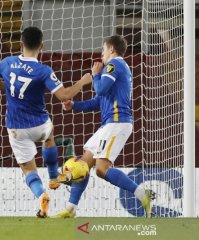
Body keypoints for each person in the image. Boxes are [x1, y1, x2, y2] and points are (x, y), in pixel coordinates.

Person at [0, 26, 92, 218]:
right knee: (49, 137)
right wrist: (83, 82)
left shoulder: (7, 62)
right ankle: (52, 177)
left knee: (27, 169)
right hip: (39, 124)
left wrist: (8, 86)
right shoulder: (43, 70)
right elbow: (64, 95)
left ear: (20, 44)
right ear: (41, 46)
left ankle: (42, 195)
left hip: (16, 127)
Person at [54, 35, 154, 218]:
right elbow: (98, 101)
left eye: (103, 50)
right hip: (110, 124)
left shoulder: (114, 65)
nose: (101, 54)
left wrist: (95, 74)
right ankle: (70, 209)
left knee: (101, 169)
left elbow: (98, 89)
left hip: (117, 123)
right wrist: (74, 105)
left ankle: (142, 194)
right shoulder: (115, 69)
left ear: (112, 50)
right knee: (83, 164)